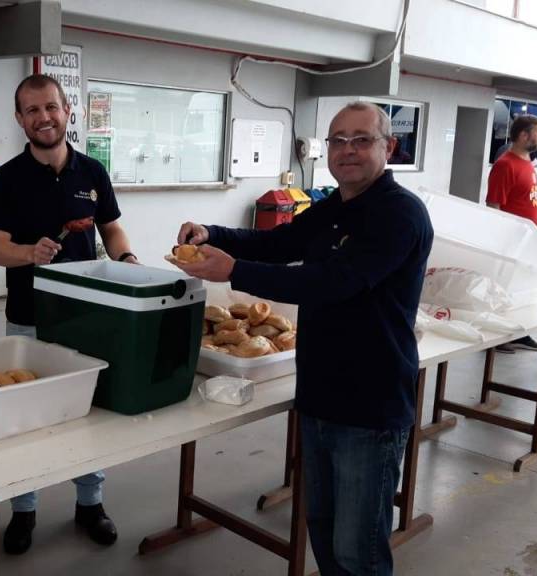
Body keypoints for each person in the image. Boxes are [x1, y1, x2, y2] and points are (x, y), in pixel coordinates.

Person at [169, 102, 432, 576]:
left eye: (361, 140)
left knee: (359, 552)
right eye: (338, 140)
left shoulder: (399, 215)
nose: (347, 150)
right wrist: (214, 233)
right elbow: (279, 243)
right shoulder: (334, 207)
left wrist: (235, 271)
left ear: (389, 146)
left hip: (369, 405)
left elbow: (334, 281)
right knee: (324, 532)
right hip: (319, 395)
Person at [0, 74, 138, 555]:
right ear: (19, 118)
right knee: (24, 418)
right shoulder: (6, 178)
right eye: (32, 110)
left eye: (50, 106)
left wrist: (128, 260)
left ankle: (90, 503)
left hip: (87, 317)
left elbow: (111, 230)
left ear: (68, 110)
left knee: (87, 413)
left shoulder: (92, 172)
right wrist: (29, 253)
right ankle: (23, 510)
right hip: (28, 317)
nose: (43, 117)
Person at [486, 114, 537, 352]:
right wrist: (502, 242)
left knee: (520, 290)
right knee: (502, 290)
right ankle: (496, 336)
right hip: (511, 241)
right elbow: (494, 205)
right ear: (523, 135)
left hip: (527, 240)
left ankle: (518, 332)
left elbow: (531, 201)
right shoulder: (505, 165)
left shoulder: (528, 163)